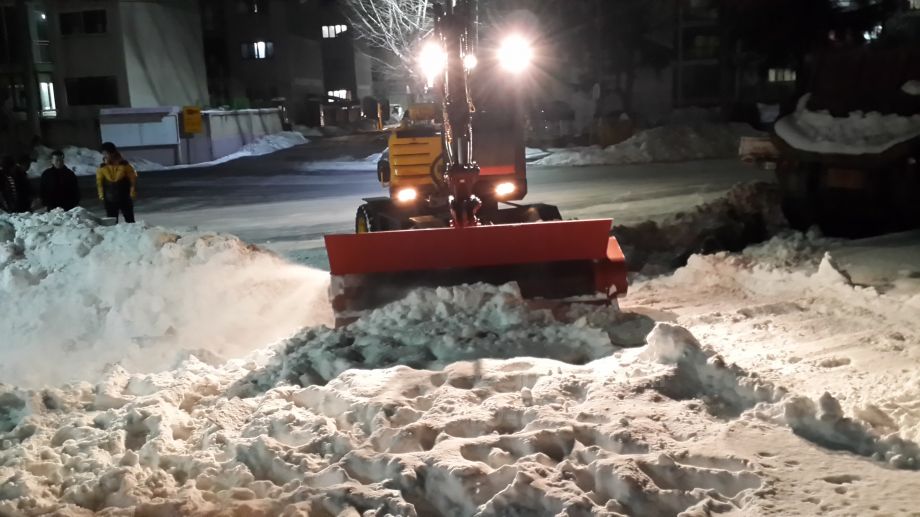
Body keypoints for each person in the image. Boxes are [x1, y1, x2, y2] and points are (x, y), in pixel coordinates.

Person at [96, 142, 137, 223]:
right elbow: (99, 182)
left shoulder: (125, 165)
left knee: (130, 220)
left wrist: (132, 192)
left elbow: (132, 180)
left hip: (124, 197)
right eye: (103, 153)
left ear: (112, 152)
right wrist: (101, 195)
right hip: (109, 198)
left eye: (106, 153)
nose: (104, 155)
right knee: (112, 222)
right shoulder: (102, 167)